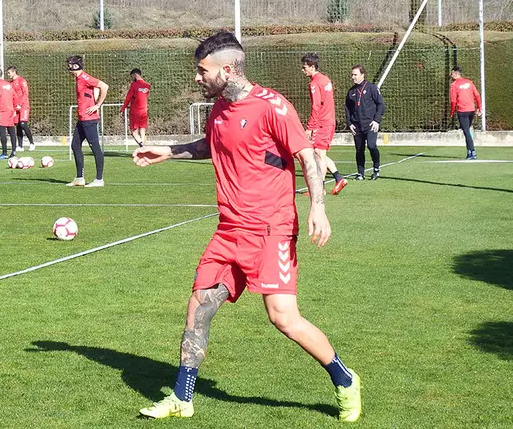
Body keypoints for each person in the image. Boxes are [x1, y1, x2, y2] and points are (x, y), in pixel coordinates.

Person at [133, 32, 362, 422]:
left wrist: (318, 207)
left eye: (202, 70)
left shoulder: (273, 106)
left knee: (283, 317)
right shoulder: (219, 109)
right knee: (199, 305)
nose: (197, 78)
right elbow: (211, 144)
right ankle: (182, 398)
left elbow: (306, 155)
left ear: (227, 69)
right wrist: (168, 152)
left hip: (271, 230)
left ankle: (345, 379)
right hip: (229, 231)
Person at [301, 53, 347, 195]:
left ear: (312, 67)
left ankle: (320, 189)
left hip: (322, 123)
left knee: (319, 154)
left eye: (304, 67)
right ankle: (338, 178)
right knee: (319, 153)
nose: (303, 70)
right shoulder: (326, 79)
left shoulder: (314, 83)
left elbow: (316, 106)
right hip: (329, 121)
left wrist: (310, 127)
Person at [66, 55, 108, 188]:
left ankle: (99, 179)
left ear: (76, 66)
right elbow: (94, 90)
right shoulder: (79, 79)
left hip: (89, 120)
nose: (68, 67)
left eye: (70, 65)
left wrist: (97, 105)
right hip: (82, 119)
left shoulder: (84, 77)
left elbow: (104, 86)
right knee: (75, 145)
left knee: (95, 148)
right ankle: (79, 178)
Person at [345, 64, 385, 180]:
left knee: (371, 146)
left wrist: (376, 120)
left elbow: (381, 105)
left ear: (362, 75)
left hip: (370, 124)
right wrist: (349, 123)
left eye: (355, 75)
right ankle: (360, 173)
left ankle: (376, 169)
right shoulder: (351, 91)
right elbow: (347, 109)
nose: (353, 77)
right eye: (352, 75)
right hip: (357, 125)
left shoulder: (372, 88)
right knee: (359, 150)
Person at [449, 66, 482, 160]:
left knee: (466, 131)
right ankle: (469, 152)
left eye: (452, 73)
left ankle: (472, 152)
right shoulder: (469, 82)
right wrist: (479, 107)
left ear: (456, 74)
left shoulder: (454, 85)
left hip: (462, 111)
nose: (451, 75)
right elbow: (477, 95)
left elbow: (453, 101)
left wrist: (452, 112)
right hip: (471, 110)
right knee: (467, 130)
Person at [0, 68, 18, 160]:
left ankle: (4, 153)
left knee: (2, 131)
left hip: (2, 110)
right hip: (10, 110)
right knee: (11, 131)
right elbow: (15, 96)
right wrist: (15, 108)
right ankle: (13, 151)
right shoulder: (8, 84)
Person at [7, 66, 35, 152]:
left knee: (23, 124)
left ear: (14, 72)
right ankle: (20, 146)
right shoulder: (10, 83)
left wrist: (20, 104)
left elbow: (26, 93)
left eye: (9, 73)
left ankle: (32, 143)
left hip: (24, 106)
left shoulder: (22, 81)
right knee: (18, 125)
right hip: (15, 107)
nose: (8, 75)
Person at [120, 68, 151, 148]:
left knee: (133, 131)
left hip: (135, 111)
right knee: (142, 130)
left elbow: (128, 97)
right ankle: (143, 148)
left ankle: (142, 146)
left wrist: (123, 108)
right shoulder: (147, 86)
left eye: (132, 76)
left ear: (135, 75)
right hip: (144, 111)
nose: (132, 78)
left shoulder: (134, 85)